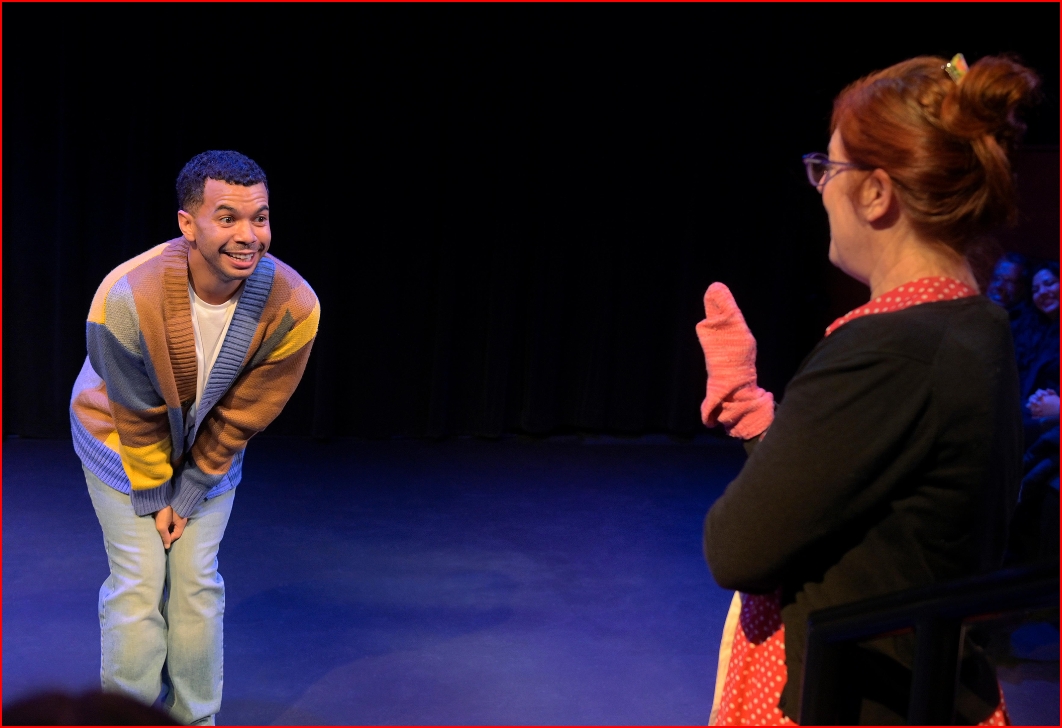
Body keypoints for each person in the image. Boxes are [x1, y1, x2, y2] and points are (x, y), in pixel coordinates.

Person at [697, 53, 1038, 724]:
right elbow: (857, 489)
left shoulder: (890, 348)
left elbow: (735, 549)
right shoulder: (975, 323)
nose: (820, 187)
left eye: (828, 168)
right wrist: (751, 408)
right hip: (918, 688)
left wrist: (755, 412)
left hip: (855, 700)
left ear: (878, 193)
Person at [70, 150, 320, 725]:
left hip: (210, 451)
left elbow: (242, 415)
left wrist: (188, 493)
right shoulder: (125, 296)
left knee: (194, 585)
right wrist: (157, 494)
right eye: (227, 217)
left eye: (259, 218)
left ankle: (195, 719)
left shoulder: (294, 306)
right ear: (188, 224)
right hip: (118, 440)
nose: (248, 235)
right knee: (139, 584)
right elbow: (134, 412)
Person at [1006, 261, 1059, 565]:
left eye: (1050, 283)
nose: (1043, 292)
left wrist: (1056, 405)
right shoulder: (1039, 331)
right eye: (1036, 288)